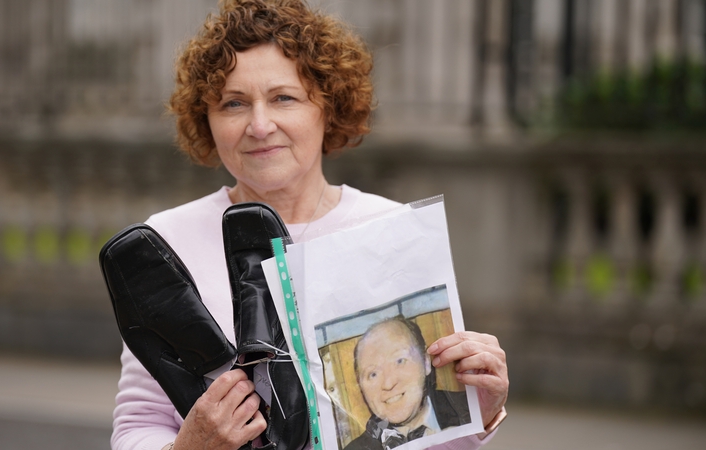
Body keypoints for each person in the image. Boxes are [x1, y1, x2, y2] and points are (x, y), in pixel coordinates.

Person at [111, 1, 509, 450]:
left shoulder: (392, 230)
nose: (260, 126)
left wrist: (483, 410)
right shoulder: (166, 244)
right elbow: (138, 425)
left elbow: (429, 439)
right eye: (233, 103)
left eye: (284, 98)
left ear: (328, 106)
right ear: (206, 119)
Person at [346, 316, 470, 450]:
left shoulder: (474, 410)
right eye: (373, 374)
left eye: (400, 361)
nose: (388, 384)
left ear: (426, 362)